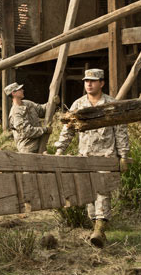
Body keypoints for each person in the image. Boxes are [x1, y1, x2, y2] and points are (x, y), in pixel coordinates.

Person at [55, 68, 130, 247]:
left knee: (102, 192)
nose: (89, 84)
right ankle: (96, 228)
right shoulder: (79, 104)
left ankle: (99, 229)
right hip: (85, 157)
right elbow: (68, 130)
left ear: (101, 83)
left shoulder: (111, 104)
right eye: (86, 81)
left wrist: (123, 156)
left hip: (106, 156)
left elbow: (120, 131)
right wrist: (59, 150)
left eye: (93, 81)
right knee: (88, 193)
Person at [5, 83, 50, 153]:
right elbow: (26, 132)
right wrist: (45, 130)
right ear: (13, 93)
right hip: (28, 148)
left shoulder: (27, 103)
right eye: (20, 89)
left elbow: (41, 110)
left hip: (40, 145)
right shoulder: (15, 113)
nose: (22, 90)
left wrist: (51, 102)